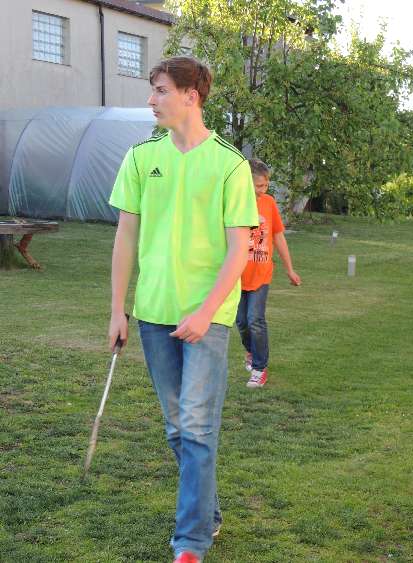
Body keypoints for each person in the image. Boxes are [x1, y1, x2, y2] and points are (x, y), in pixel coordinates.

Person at [108, 56, 258, 563]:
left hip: (207, 318)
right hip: (153, 314)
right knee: (178, 427)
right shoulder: (140, 158)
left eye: (160, 90)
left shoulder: (230, 165)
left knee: (196, 426)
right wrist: (118, 309)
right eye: (153, 90)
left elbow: (239, 249)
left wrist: (206, 312)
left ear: (191, 96)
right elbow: (125, 238)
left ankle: (190, 541)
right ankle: (206, 512)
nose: (151, 99)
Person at [236, 158, 301, 388]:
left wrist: (289, 269)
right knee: (241, 322)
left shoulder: (269, 203)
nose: (262, 190)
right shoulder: (235, 202)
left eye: (265, 185)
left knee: (255, 319)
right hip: (236, 275)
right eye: (258, 186)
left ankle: (259, 368)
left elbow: (278, 236)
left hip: (261, 273)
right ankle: (251, 351)